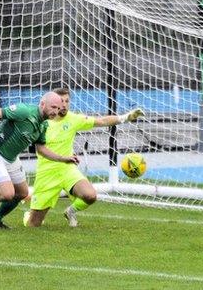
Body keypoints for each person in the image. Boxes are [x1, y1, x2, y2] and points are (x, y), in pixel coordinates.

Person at [24, 88, 144, 227]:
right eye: (60, 101)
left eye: (67, 101)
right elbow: (38, 148)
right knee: (33, 225)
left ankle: (71, 211)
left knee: (90, 195)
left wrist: (126, 117)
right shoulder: (42, 122)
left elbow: (102, 121)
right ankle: (29, 216)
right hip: (47, 173)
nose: (64, 105)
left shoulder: (73, 119)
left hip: (67, 170)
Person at [0, 92, 78, 229]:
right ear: (42, 104)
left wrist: (64, 159)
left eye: (58, 109)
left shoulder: (43, 125)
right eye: (53, 107)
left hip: (11, 159)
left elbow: (41, 149)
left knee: (22, 193)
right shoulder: (24, 111)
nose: (56, 111)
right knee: (7, 193)